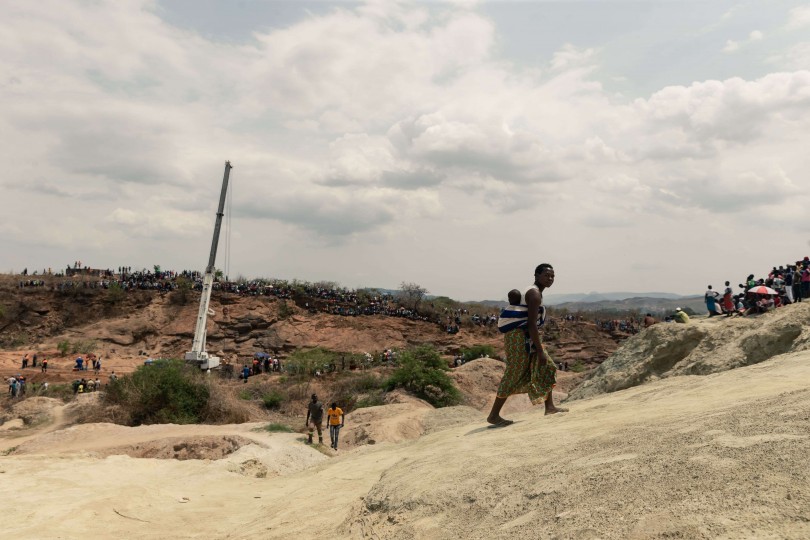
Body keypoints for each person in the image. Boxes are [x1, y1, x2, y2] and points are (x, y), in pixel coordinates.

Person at [488, 264, 567, 428]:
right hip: (519, 338)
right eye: (547, 275)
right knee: (514, 373)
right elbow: (531, 324)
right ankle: (494, 415)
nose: (550, 279)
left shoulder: (535, 292)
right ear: (537, 276)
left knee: (548, 367)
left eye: (552, 276)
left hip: (525, 337)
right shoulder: (534, 294)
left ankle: (550, 407)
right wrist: (540, 351)